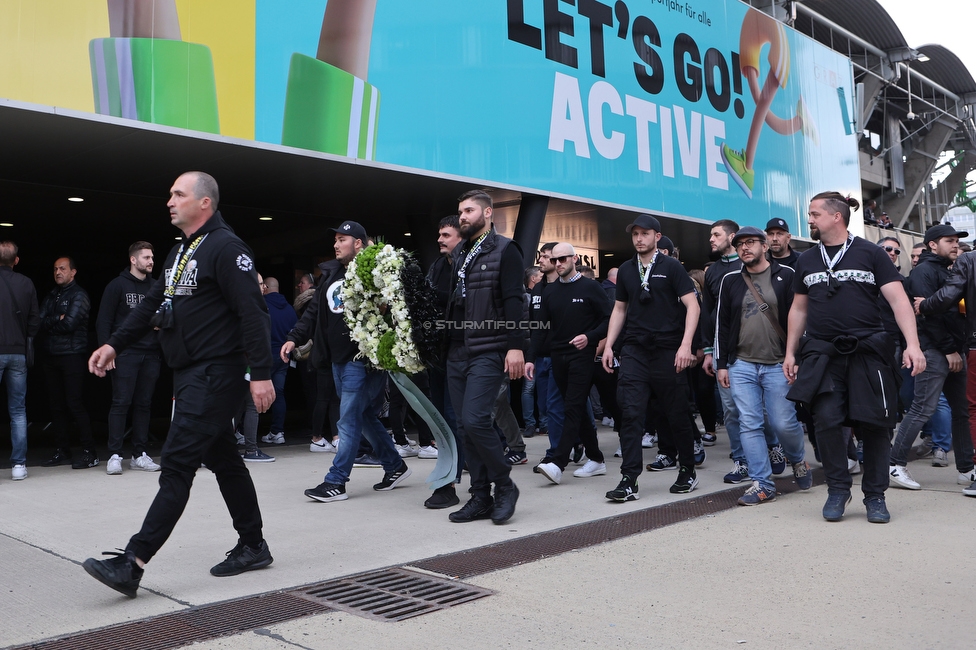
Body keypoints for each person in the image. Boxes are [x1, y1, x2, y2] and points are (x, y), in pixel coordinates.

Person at [83, 171, 276, 597]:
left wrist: (260, 375)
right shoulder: (180, 251)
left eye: (178, 194)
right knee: (224, 459)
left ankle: (132, 563)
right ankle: (254, 544)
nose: (169, 200)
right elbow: (153, 303)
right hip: (189, 372)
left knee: (175, 464)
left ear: (204, 203)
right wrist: (114, 344)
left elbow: (253, 315)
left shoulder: (226, 248)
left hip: (215, 373)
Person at [784, 192, 925, 524]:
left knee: (876, 425)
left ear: (836, 217)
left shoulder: (871, 253)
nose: (810, 219)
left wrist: (912, 344)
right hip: (823, 353)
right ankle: (838, 489)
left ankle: (875, 495)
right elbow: (798, 309)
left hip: (868, 352)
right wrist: (790, 352)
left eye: (815, 214)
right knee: (826, 420)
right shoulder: (806, 260)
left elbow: (899, 302)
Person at [284, 220, 411, 503]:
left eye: (342, 239)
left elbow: (393, 306)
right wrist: (294, 336)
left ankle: (336, 481)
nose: (336, 244)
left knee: (349, 419)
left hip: (362, 358)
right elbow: (314, 311)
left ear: (358, 243)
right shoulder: (330, 274)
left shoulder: (376, 270)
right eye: (335, 240)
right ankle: (395, 465)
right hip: (337, 358)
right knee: (363, 416)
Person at [603, 214, 700, 500]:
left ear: (657, 236)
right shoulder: (626, 269)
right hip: (634, 349)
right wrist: (609, 345)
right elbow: (619, 309)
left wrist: (686, 345)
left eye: (644, 233)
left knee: (676, 413)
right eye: (635, 234)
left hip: (668, 349)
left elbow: (692, 306)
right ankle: (629, 478)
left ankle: (687, 470)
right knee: (631, 413)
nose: (638, 238)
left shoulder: (671, 267)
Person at [443, 190, 526, 524]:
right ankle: (480, 496)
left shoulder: (506, 249)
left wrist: (516, 346)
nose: (462, 216)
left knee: (477, 418)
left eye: (469, 210)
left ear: (488, 212)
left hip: (489, 348)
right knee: (465, 426)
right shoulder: (461, 251)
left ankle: (505, 486)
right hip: (457, 349)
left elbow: (513, 300)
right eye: (460, 211)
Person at [714, 226, 812, 505]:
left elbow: (801, 318)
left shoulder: (787, 275)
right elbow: (722, 323)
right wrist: (722, 363)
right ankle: (762, 483)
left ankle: (797, 459)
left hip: (779, 363)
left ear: (765, 245)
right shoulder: (730, 279)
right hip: (741, 364)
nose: (744, 248)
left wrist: (796, 356)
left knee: (784, 422)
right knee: (749, 423)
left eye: (751, 243)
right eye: (739, 244)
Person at [889, 225, 975, 491]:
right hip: (935, 351)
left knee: (961, 411)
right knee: (922, 408)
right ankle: (894, 464)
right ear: (932, 245)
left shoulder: (946, 270)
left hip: (952, 350)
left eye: (957, 242)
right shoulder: (924, 272)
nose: (955, 246)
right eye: (949, 241)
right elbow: (927, 317)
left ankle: (966, 468)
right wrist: (949, 349)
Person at [530, 243, 611, 484]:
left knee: (572, 407)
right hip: (558, 357)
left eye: (563, 259)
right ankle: (596, 458)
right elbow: (540, 328)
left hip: (582, 356)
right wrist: (529, 358)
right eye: (555, 260)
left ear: (574, 258)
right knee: (575, 408)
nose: (558, 264)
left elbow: (609, 319)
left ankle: (558, 462)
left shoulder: (590, 287)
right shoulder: (550, 291)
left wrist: (591, 337)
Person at [721, 6, 818, 198]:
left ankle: (747, 167)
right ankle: (799, 122)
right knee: (760, 98)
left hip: (776, 44)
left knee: (763, 100)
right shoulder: (751, 18)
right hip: (756, 35)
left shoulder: (768, 22)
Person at [95, 241, 162, 475]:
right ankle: (114, 454)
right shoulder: (117, 285)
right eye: (146, 257)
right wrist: (107, 350)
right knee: (121, 402)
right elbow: (103, 320)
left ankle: (139, 454)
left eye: (152, 257)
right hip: (125, 353)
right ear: (133, 260)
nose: (151, 261)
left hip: (152, 353)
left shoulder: (156, 286)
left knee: (144, 404)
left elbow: (165, 317)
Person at [918, 240, 976, 497]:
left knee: (972, 407)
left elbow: (950, 294)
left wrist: (924, 305)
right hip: (962, 345)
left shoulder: (969, 260)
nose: (954, 245)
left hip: (971, 345)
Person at [700, 220, 751, 483]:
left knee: (762, 411)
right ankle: (741, 460)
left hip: (756, 349)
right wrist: (708, 351)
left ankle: (774, 447)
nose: (711, 239)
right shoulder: (712, 272)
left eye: (716, 234)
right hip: (723, 351)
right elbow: (708, 313)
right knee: (731, 409)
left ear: (732, 237)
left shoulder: (751, 264)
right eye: (711, 234)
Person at [39, 256, 96, 469]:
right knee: (56, 406)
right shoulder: (52, 295)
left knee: (74, 403)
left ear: (73, 272)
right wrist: (57, 318)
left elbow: (70, 324)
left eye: (62, 268)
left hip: (72, 355)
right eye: (55, 269)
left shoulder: (79, 294)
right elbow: (38, 322)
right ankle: (62, 451)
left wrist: (54, 322)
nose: (57, 272)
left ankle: (90, 452)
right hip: (51, 356)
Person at [0, 241, 40, 481]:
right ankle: (19, 465)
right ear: (16, 260)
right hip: (18, 352)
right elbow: (35, 320)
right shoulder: (26, 283)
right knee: (18, 410)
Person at [260, 277, 298, 446]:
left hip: (265, 356)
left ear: (266, 287)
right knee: (278, 393)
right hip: (284, 355)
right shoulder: (289, 308)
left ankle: (244, 433)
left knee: (253, 395)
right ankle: (278, 431)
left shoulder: (261, 305)